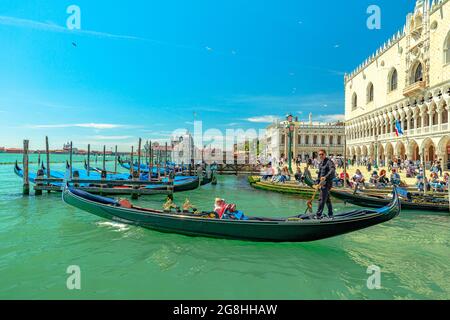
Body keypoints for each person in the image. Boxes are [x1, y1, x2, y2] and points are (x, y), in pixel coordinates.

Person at [315, 149, 335, 219]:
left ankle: (318, 215)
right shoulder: (321, 163)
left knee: (321, 199)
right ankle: (330, 214)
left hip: (327, 184)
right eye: (319, 154)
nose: (320, 155)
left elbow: (332, 170)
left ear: (325, 154)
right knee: (327, 200)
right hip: (321, 184)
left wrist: (325, 177)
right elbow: (319, 174)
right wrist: (317, 183)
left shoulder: (329, 162)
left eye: (322, 154)